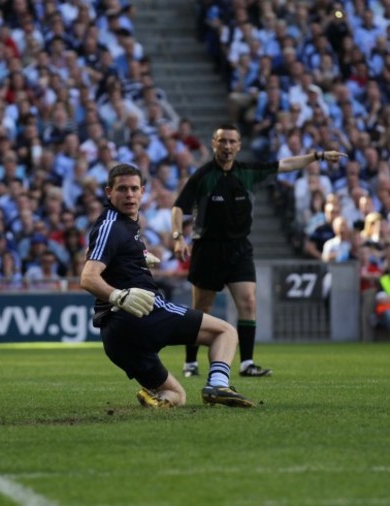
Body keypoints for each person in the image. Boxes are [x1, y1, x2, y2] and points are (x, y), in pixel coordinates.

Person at [170, 124, 348, 378]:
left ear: (239, 145)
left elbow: (285, 165)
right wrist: (178, 237)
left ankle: (247, 363)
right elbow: (178, 208)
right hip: (207, 248)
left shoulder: (248, 172)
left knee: (248, 302)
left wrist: (317, 156)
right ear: (214, 144)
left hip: (240, 248)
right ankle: (190, 362)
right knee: (201, 310)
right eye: (223, 141)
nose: (228, 146)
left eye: (232, 141)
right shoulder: (203, 176)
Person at [80, 163, 256, 409]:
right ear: (109, 192)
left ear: (143, 191)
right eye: (122, 189)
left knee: (175, 395)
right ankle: (217, 384)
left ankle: (156, 400)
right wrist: (119, 296)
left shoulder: (122, 224)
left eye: (133, 189)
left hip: (115, 339)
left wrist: (138, 257)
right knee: (225, 332)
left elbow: (98, 252)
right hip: (140, 315)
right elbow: (88, 277)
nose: (129, 195)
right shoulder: (112, 225)